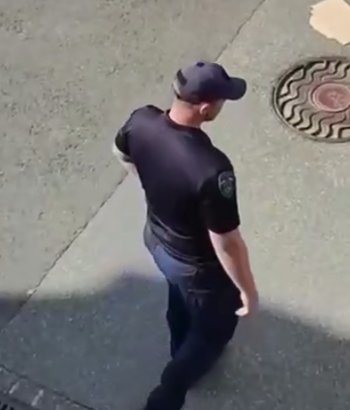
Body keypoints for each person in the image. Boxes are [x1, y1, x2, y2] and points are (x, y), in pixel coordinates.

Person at [111, 62, 259, 410]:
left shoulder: (141, 120)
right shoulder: (211, 168)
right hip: (196, 265)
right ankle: (170, 389)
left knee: (179, 301)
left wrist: (152, 186)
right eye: (222, 101)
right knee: (214, 329)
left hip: (157, 241)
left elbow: (120, 153)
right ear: (205, 108)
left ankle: (179, 348)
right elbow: (227, 242)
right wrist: (247, 291)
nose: (223, 106)